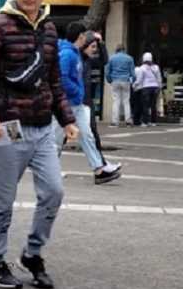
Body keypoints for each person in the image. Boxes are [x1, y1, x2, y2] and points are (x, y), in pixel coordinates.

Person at [0, 0, 78, 289]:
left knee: (54, 192)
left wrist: (68, 119)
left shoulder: (49, 28)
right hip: (9, 127)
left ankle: (32, 252)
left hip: (43, 127)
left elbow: (54, 80)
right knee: (2, 199)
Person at [57, 23, 122, 185]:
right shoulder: (67, 54)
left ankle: (99, 170)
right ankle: (49, 170)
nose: (86, 38)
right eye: (85, 35)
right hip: (66, 104)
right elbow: (62, 78)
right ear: (80, 37)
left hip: (75, 103)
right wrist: (77, 92)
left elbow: (101, 60)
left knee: (87, 136)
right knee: (56, 139)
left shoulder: (74, 53)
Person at [80, 31, 122, 178]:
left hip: (84, 101)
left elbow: (104, 60)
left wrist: (101, 43)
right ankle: (100, 166)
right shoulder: (73, 57)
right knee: (58, 138)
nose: (94, 50)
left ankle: (100, 166)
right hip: (75, 102)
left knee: (90, 135)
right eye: (92, 46)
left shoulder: (88, 60)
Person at [105, 44, 135, 127]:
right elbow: (133, 73)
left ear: (116, 50)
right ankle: (128, 121)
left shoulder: (111, 58)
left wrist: (109, 80)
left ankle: (115, 122)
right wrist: (132, 80)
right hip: (126, 80)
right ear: (124, 50)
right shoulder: (129, 58)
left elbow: (107, 71)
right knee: (126, 101)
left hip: (115, 80)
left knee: (116, 101)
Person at [134, 52, 163, 127]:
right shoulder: (156, 67)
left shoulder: (141, 68)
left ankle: (145, 122)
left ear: (143, 59)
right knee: (153, 105)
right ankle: (153, 122)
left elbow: (139, 80)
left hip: (146, 88)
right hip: (155, 88)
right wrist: (159, 87)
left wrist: (134, 85)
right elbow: (159, 78)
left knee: (145, 105)